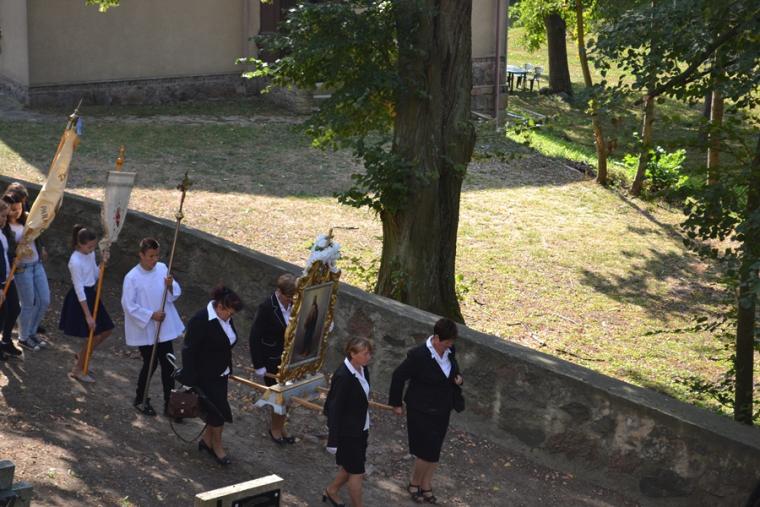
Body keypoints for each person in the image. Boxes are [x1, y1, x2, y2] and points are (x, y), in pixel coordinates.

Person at [388, 318, 465, 504]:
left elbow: (453, 371)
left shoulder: (450, 351)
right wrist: (396, 404)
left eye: (451, 342)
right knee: (425, 450)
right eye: (447, 342)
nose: (449, 346)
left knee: (435, 449)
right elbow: (398, 376)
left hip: (442, 408)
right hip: (421, 409)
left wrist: (459, 379)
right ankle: (414, 483)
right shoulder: (418, 356)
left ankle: (426, 484)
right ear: (437, 338)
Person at [178, 285, 243, 466]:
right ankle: (217, 447)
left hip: (221, 373)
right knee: (218, 413)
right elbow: (188, 350)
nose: (230, 317)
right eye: (229, 313)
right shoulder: (201, 319)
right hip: (205, 375)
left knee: (215, 410)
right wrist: (190, 378)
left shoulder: (225, 318)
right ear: (220, 306)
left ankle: (206, 442)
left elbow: (226, 343)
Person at [121, 237, 184, 417]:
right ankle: (141, 398)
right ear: (141, 255)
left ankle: (170, 404)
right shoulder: (132, 277)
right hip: (147, 329)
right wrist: (150, 315)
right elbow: (128, 305)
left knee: (169, 365)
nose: (154, 259)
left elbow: (173, 293)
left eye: (156, 255)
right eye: (150, 256)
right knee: (151, 363)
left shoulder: (162, 268)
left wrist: (170, 286)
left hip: (163, 328)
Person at [59, 225, 115, 383]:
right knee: (94, 335)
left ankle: (82, 355)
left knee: (107, 330)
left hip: (91, 294)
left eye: (94, 247)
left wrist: (103, 263)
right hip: (81, 300)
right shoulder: (75, 261)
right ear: (80, 244)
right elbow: (79, 288)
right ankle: (77, 370)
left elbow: (95, 276)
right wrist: (88, 315)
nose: (92, 250)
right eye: (89, 247)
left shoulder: (90, 254)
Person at [322, 337, 373, 507]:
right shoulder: (343, 376)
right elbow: (334, 409)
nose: (369, 357)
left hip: (361, 427)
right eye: (365, 354)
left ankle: (331, 490)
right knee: (357, 472)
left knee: (350, 466)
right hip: (348, 433)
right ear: (352, 353)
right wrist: (333, 440)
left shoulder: (363, 369)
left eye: (369, 353)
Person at [249, 273, 297, 444]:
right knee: (280, 396)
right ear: (280, 292)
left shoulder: (294, 304)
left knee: (288, 395)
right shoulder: (267, 307)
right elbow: (254, 336)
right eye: (289, 296)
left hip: (289, 358)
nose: (292, 300)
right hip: (271, 359)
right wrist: (259, 364)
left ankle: (280, 426)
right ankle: (275, 429)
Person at [3, 190, 50, 351]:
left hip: (37, 264)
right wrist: (15, 255)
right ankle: (23, 337)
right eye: (12, 209)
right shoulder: (6, 228)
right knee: (28, 303)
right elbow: (7, 251)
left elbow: (37, 235)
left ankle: (32, 331)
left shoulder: (28, 219)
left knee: (44, 300)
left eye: (19, 208)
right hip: (22, 269)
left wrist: (41, 248)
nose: (16, 212)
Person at [0, 199, 22, 360]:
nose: (4, 219)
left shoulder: (3, 232)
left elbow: (4, 254)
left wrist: (13, 260)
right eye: (2, 216)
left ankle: (6, 341)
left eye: (5, 216)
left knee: (14, 309)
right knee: (2, 314)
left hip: (8, 277)